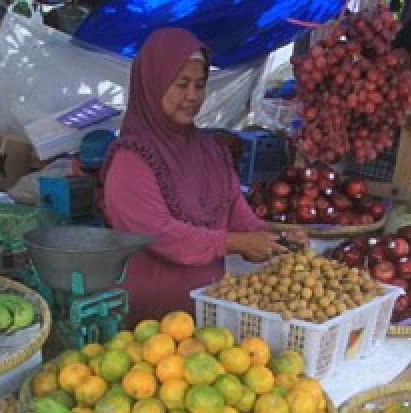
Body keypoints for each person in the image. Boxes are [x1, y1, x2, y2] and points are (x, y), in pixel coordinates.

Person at [103, 28, 302, 325]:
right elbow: (159, 235)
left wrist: (277, 239)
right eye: (181, 84)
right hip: (151, 322)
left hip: (209, 313)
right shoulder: (130, 160)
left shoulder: (210, 150)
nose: (192, 96)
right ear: (153, 85)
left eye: (200, 85)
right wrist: (237, 243)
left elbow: (238, 214)